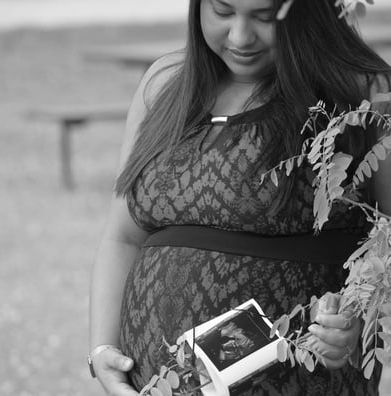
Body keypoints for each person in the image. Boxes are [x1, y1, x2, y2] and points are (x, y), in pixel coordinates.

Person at [89, 0, 391, 395]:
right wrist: (101, 350)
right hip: (154, 382)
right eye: (223, 11)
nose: (240, 37)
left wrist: (355, 321)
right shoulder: (164, 83)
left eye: (264, 17)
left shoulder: (362, 90)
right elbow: (123, 236)